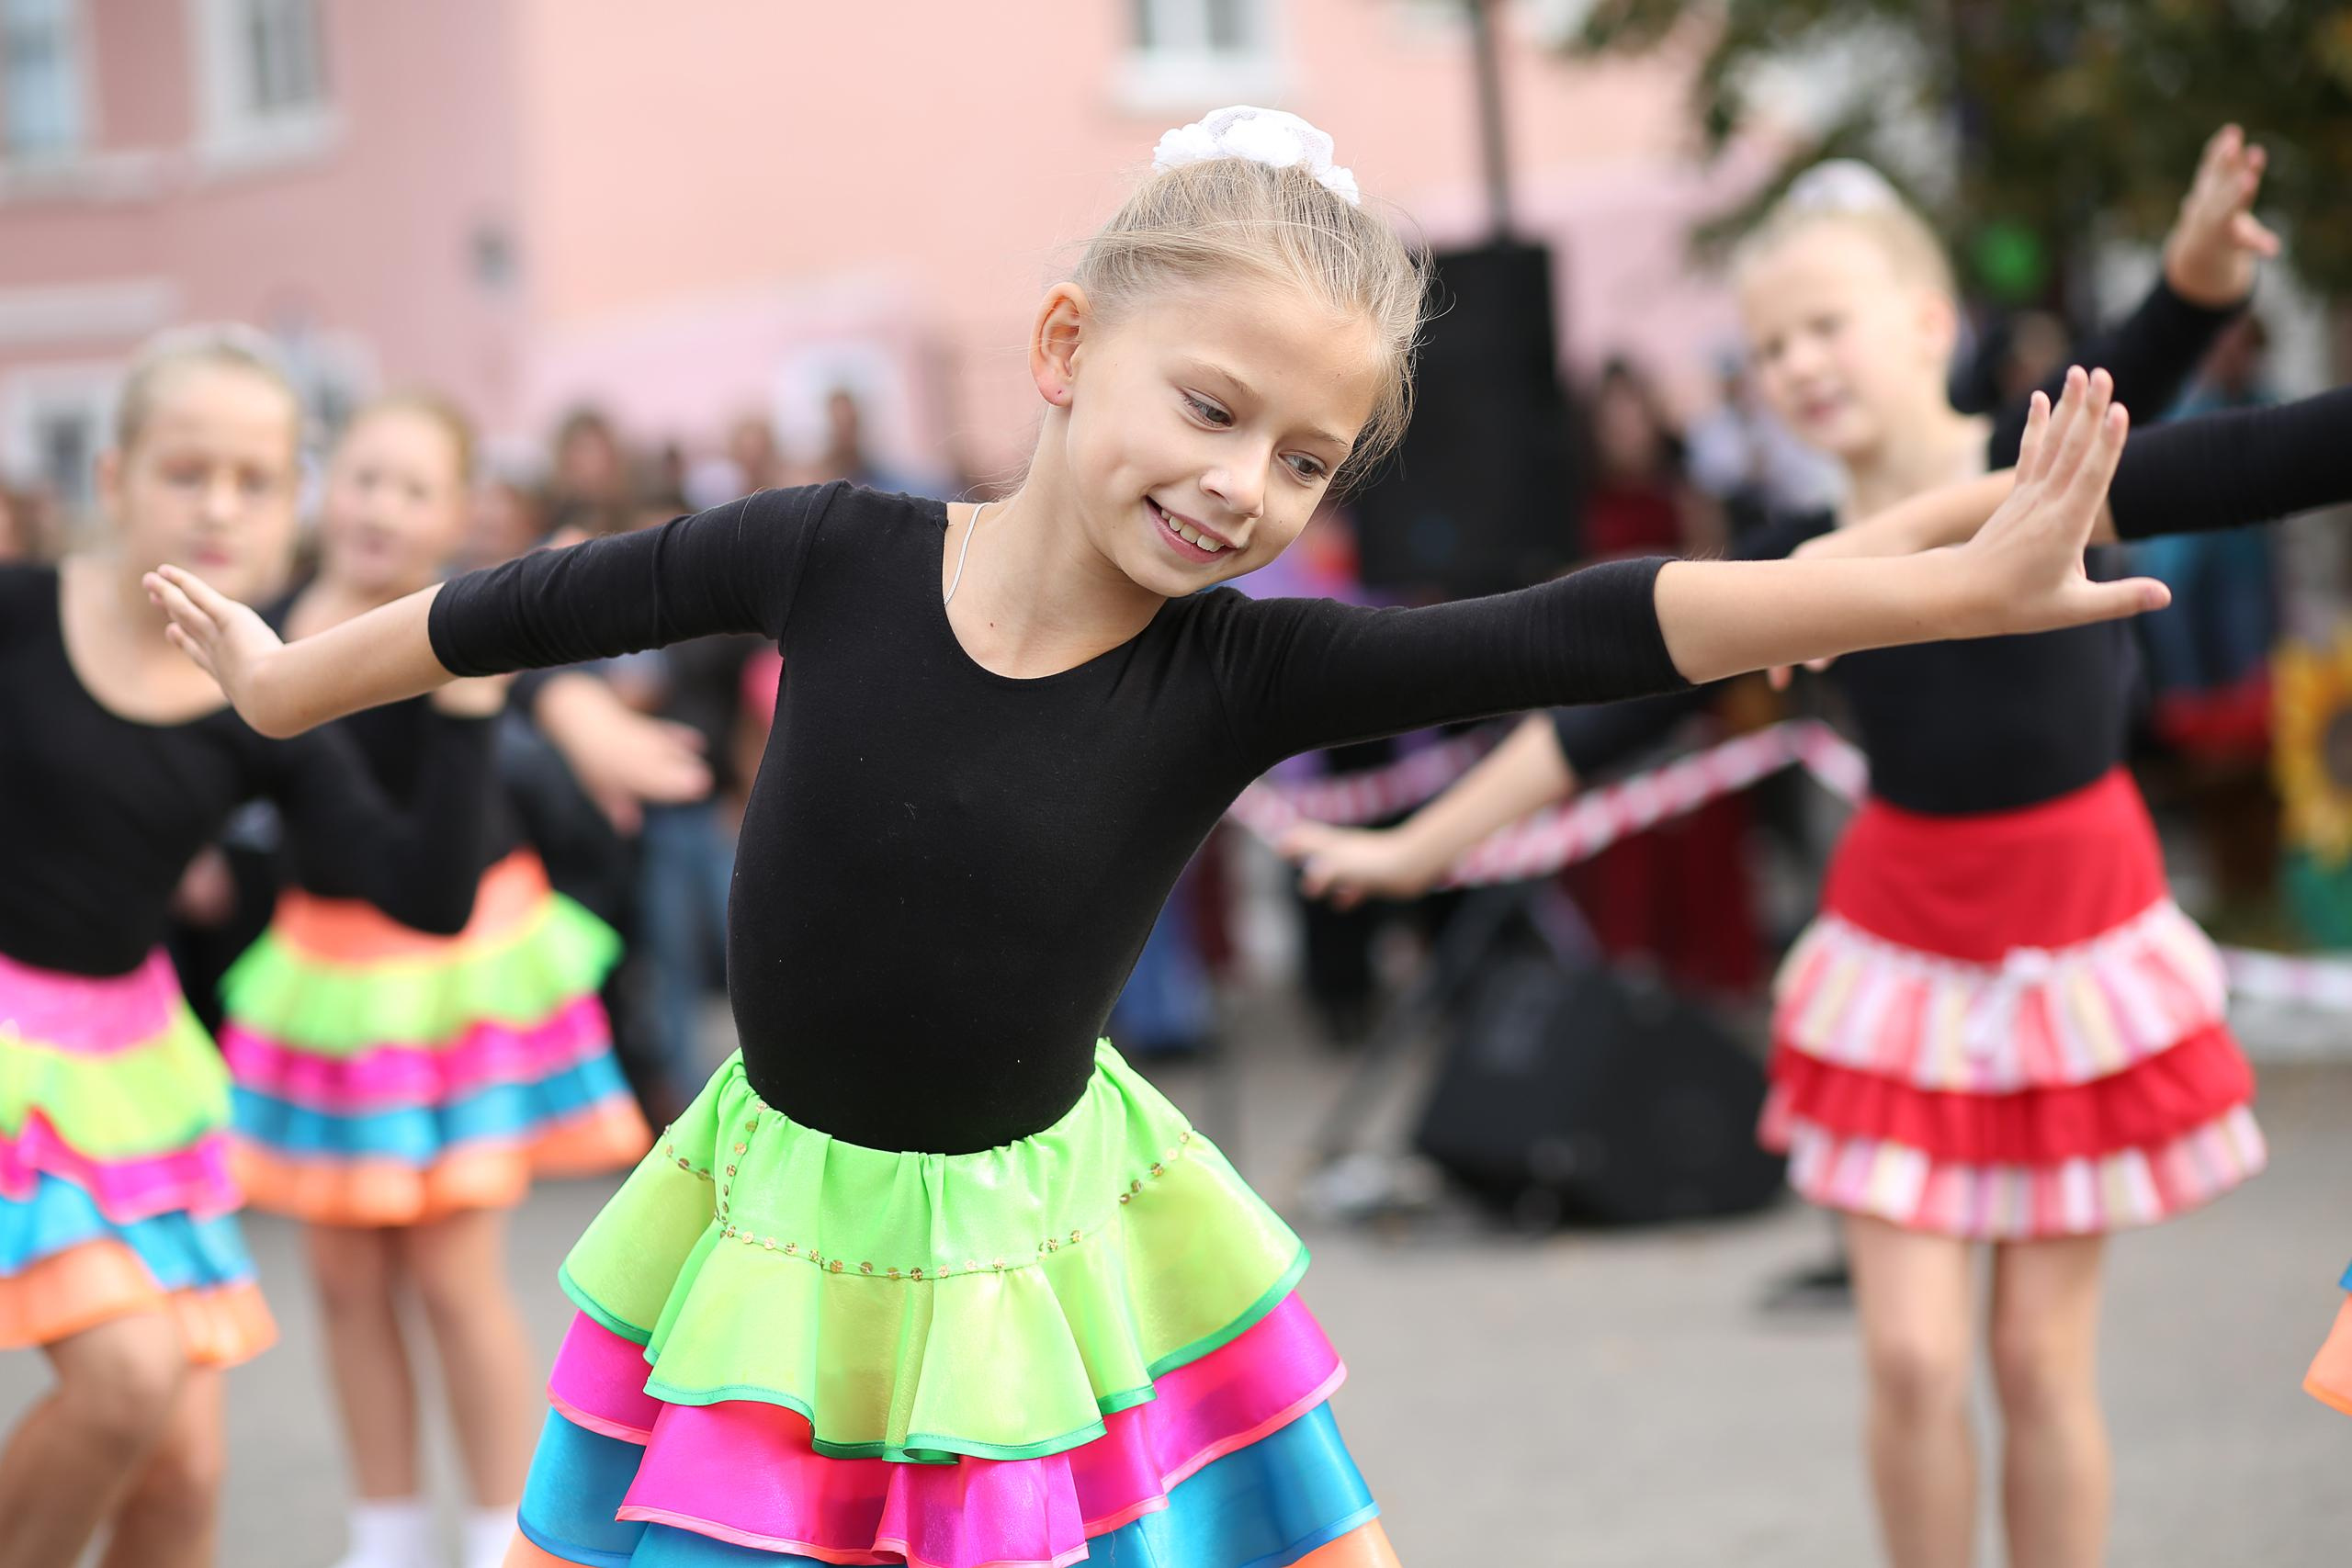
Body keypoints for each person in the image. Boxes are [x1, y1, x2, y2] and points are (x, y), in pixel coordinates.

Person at [149, 108, 2165, 1568]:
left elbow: (1589, 624)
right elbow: (540, 601)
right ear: (1062, 350)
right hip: (777, 1217)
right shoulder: (827, 550)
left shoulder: (1238, 672)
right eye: (1209, 410)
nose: (1242, 487)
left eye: (1303, 458)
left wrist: (1938, 587)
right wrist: (294, 682)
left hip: (1031, 1243)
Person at [1283, 130, 2315, 1568]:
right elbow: (1603, 718)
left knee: (2036, 1358)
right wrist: (1416, 848)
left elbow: (2173, 385)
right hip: (1906, 943)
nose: (1797, 363)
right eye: (1770, 346)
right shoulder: (1784, 553)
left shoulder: (2043, 461)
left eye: (1826, 324)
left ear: (1927, 322)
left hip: (2079, 926)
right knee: (1911, 1353)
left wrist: (2200, 274)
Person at [0, 327, 505, 1568]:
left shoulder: (265, 690)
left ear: (293, 501)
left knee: (184, 1475)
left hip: (130, 1066)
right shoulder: (17, 613)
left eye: (256, 480)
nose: (220, 506)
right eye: (187, 471)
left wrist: (469, 705)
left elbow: (428, 895)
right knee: (128, 1376)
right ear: (114, 477)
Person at [213, 394, 659, 1568]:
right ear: (327, 487)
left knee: (454, 1274)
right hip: (326, 972)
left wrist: (583, 719)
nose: (381, 508)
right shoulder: (270, 630)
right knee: (344, 1274)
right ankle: (387, 1531)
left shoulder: (459, 621)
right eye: (364, 478)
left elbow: (537, 683)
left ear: (457, 514)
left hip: (459, 976)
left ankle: (498, 1532)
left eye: (414, 490)